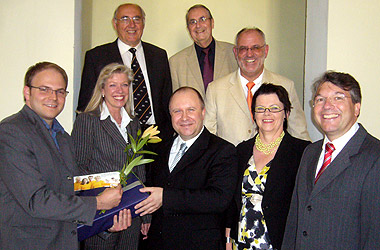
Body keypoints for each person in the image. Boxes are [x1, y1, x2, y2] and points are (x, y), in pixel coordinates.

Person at [0, 62, 131, 250]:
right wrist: (98, 202)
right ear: (27, 92)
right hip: (29, 243)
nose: (53, 97)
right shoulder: (12, 132)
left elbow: (74, 189)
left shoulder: (63, 137)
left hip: (64, 241)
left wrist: (106, 222)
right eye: (44, 89)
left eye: (60, 91)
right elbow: (35, 200)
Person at [282, 71, 380, 250]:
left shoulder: (375, 157)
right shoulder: (310, 152)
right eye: (320, 99)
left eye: (338, 98)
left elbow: (375, 236)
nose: (327, 106)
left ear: (357, 107)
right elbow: (295, 219)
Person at [134, 87, 238, 250]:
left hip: (198, 244)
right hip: (157, 242)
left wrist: (165, 197)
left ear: (203, 112)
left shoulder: (222, 150)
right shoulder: (159, 148)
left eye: (191, 110)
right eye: (177, 111)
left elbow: (218, 199)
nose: (184, 117)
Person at [72, 63, 149, 250]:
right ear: (102, 89)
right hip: (102, 215)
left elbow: (139, 170)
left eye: (125, 85)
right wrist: (103, 201)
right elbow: (78, 173)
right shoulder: (88, 121)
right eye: (113, 85)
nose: (120, 90)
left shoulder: (134, 123)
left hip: (132, 212)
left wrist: (146, 214)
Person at [225, 84, 310, 250]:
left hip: (279, 242)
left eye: (274, 108)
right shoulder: (241, 150)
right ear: (253, 114)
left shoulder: (302, 151)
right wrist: (228, 239)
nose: (267, 114)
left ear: (286, 113)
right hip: (241, 241)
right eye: (261, 108)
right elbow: (232, 200)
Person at [78, 3, 173, 142]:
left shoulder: (159, 55)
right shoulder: (96, 56)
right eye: (124, 19)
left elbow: (166, 98)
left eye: (137, 19)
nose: (131, 24)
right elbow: (86, 102)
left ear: (143, 23)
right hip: (114, 135)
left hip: (157, 136)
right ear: (115, 24)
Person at [204, 27, 309, 146]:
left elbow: (299, 133)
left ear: (266, 51)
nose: (249, 54)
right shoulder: (215, 90)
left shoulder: (286, 86)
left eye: (256, 48)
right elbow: (208, 139)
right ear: (235, 52)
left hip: (274, 162)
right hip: (230, 162)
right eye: (243, 49)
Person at [169, 4, 237, 97]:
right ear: (188, 28)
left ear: (212, 23)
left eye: (203, 19)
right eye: (192, 22)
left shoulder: (233, 53)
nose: (198, 25)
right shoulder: (176, 63)